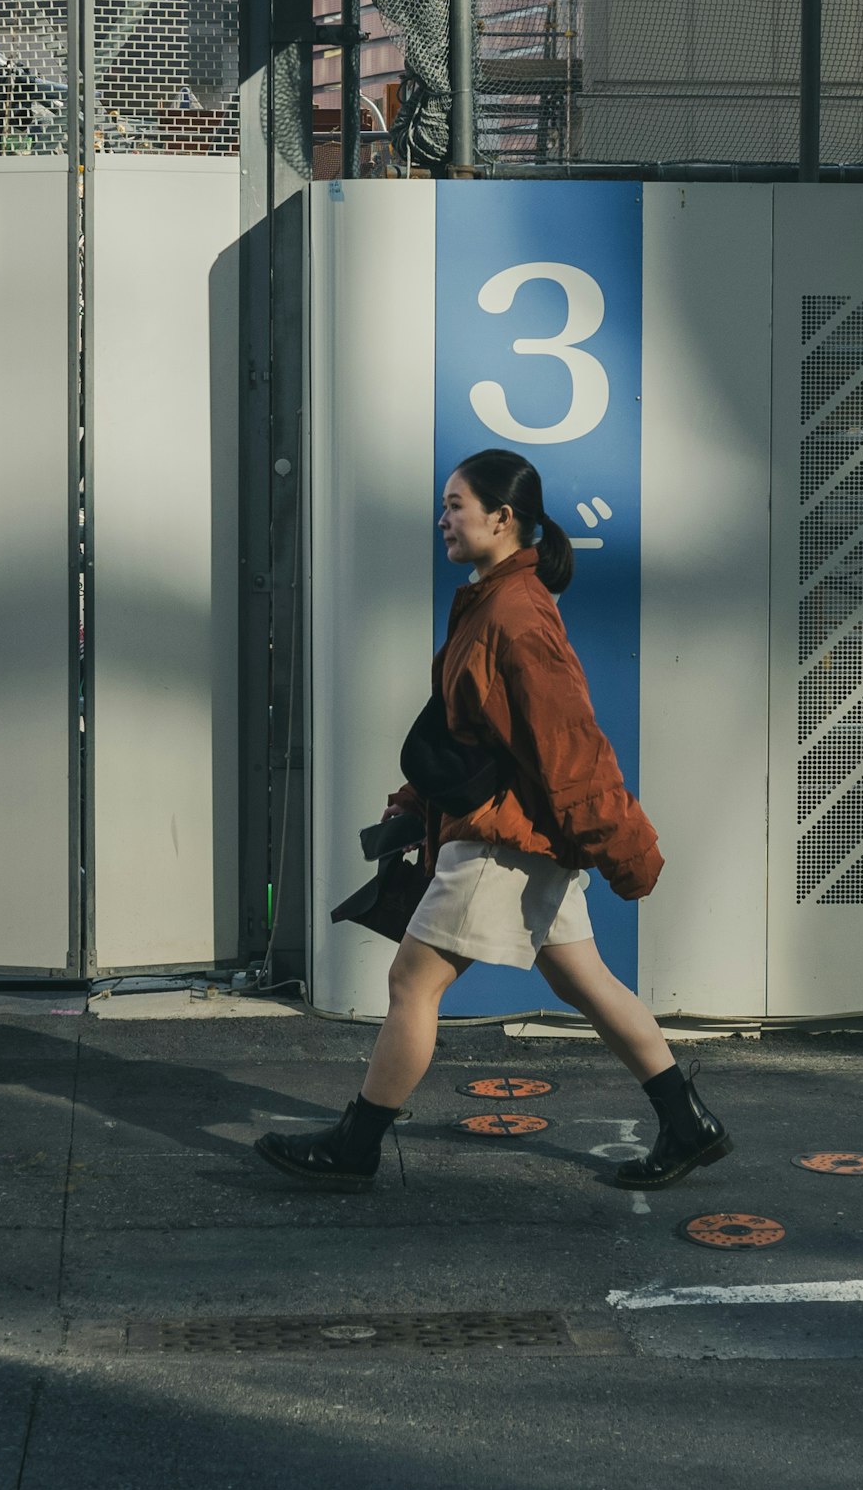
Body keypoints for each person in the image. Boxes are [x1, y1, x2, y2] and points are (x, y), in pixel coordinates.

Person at [258, 448, 731, 1193]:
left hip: (502, 844)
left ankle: (357, 1145)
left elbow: (571, 746)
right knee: (583, 979)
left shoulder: (516, 614)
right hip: (514, 832)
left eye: (455, 505)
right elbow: (469, 732)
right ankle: (687, 1121)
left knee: (413, 982)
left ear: (502, 518)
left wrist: (628, 850)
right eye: (444, 505)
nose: (442, 519)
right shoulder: (491, 601)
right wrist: (415, 802)